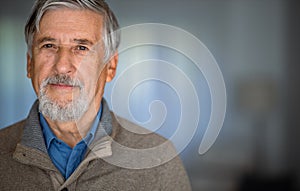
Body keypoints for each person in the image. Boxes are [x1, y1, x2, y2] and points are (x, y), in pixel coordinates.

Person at [0, 0, 191, 190]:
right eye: (49, 45)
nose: (62, 66)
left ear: (110, 66)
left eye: (82, 48)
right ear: (29, 64)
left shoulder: (158, 161)